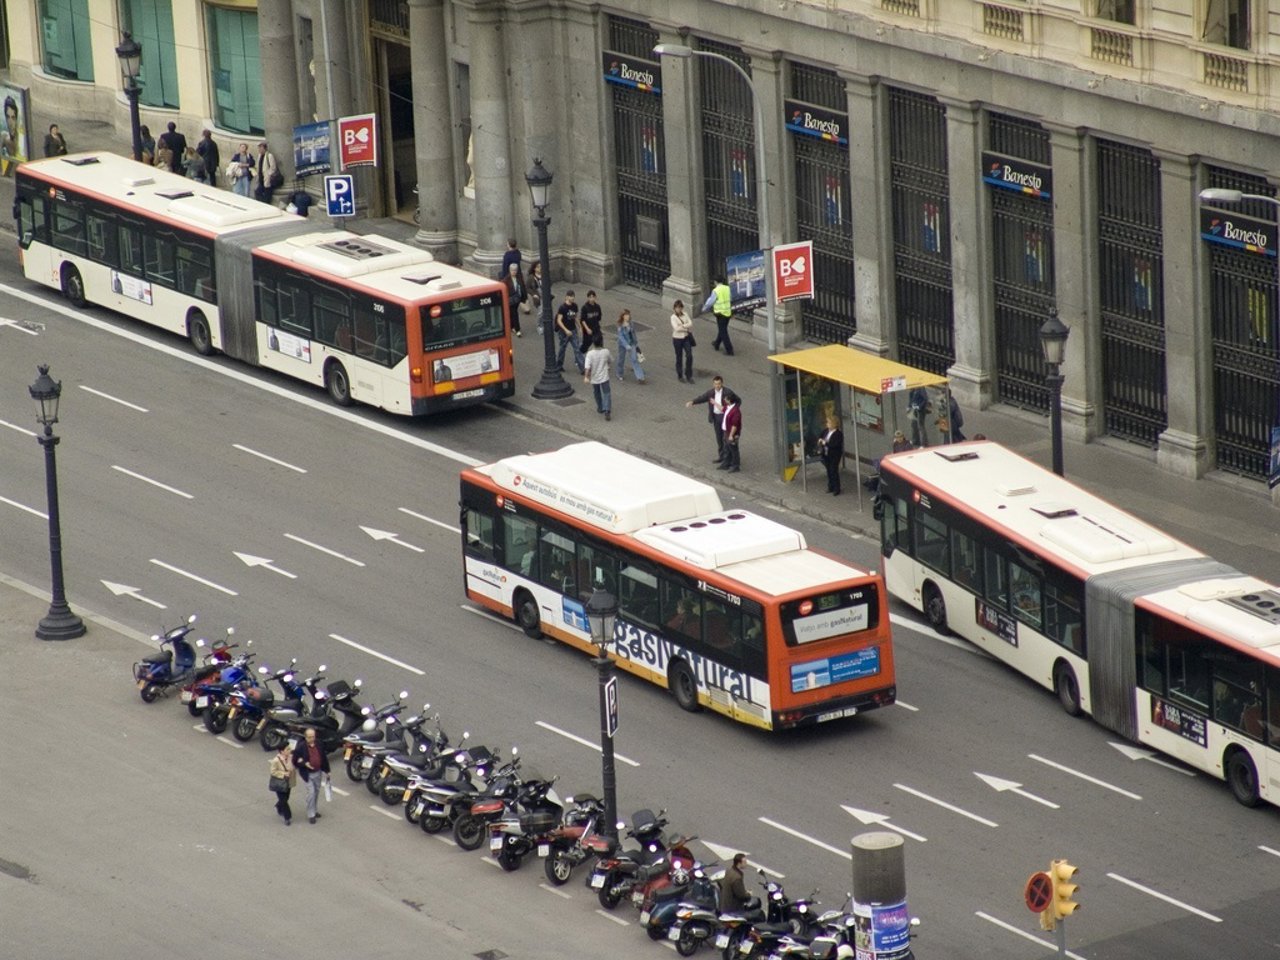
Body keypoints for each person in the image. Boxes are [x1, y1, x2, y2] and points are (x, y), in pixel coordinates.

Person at [687, 375, 740, 464]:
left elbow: (738, 401)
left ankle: (729, 459)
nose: (717, 386)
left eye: (719, 384)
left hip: (725, 417)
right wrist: (693, 402)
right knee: (719, 438)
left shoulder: (728, 392)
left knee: (726, 438)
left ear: (722, 384)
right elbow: (702, 398)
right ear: (713, 384)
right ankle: (721, 456)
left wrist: (733, 411)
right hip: (716, 417)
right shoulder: (711, 393)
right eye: (715, 384)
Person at [291, 727, 330, 824]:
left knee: (316, 792)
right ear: (305, 737)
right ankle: (311, 814)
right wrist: (304, 763)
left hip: (318, 772)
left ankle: (315, 810)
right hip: (307, 774)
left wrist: (327, 771)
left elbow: (323, 757)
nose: (311, 739)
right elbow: (295, 761)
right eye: (309, 737)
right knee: (311, 793)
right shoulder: (301, 747)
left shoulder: (319, 744)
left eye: (313, 737)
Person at [701, 276, 735, 356]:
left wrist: (704, 309)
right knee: (722, 329)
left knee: (723, 331)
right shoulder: (727, 288)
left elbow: (710, 301)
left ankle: (729, 350)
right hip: (727, 312)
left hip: (720, 313)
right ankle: (717, 343)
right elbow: (730, 298)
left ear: (716, 282)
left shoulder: (716, 290)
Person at [584, 334, 613, 421]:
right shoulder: (606, 352)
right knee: (606, 392)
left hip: (594, 377)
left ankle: (600, 407)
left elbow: (587, 367)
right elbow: (610, 360)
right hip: (604, 376)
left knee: (597, 392)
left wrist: (586, 377)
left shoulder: (590, 354)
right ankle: (607, 410)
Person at [555, 290, 584, 374]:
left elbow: (575, 317)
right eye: (571, 296)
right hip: (564, 332)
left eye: (573, 296)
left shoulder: (575, 306)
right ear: (567, 297)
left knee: (577, 349)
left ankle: (582, 368)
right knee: (562, 349)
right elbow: (559, 320)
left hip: (573, 330)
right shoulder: (562, 308)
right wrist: (566, 330)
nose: (572, 298)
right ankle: (559, 365)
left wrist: (580, 327)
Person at [268, 742, 296, 826]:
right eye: (287, 749)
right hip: (280, 783)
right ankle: (287, 817)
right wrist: (283, 774)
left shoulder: (291, 757)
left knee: (286, 797)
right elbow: (273, 772)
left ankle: (278, 806)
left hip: (288, 782)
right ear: (282, 751)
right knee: (284, 800)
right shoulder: (276, 760)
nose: (289, 750)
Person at [615, 310, 646, 383]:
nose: (627, 317)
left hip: (631, 343)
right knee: (621, 359)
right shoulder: (620, 325)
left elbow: (633, 333)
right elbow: (621, 336)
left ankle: (640, 377)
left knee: (634, 359)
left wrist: (635, 342)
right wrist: (626, 345)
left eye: (628, 315)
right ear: (622, 316)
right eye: (626, 315)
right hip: (622, 344)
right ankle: (619, 373)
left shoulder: (631, 323)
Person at [819, 414, 845, 496]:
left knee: (833, 470)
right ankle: (830, 486)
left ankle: (837, 488)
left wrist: (825, 443)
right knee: (829, 471)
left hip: (834, 455)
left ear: (834, 424)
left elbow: (834, 445)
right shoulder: (826, 431)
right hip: (826, 454)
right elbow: (821, 435)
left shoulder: (838, 434)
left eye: (828, 422)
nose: (827, 424)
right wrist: (820, 440)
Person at [671, 299, 694, 383]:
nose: (678, 309)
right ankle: (680, 375)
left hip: (686, 338)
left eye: (679, 308)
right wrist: (686, 327)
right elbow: (676, 328)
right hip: (677, 339)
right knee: (679, 357)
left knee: (689, 356)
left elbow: (691, 323)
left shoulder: (685, 314)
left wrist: (682, 326)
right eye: (676, 308)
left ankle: (689, 375)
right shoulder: (673, 317)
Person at [1, 95, 25, 176]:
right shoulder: (4, 136)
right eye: (8, 117)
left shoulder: (22, 138)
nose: (10, 122)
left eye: (13, 117)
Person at [502, 263, 526, 337]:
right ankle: (517, 329)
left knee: (512, 313)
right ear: (510, 270)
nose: (514, 272)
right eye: (512, 270)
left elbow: (522, 287)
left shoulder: (519, 278)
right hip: (510, 299)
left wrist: (524, 298)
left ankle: (512, 326)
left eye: (515, 270)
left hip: (517, 299)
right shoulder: (506, 280)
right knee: (514, 314)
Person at [720, 397, 742, 473]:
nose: (724, 400)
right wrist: (715, 403)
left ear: (729, 401)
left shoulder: (735, 411)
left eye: (726, 399)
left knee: (733, 450)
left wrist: (731, 435)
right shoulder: (728, 407)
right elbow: (722, 409)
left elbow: (734, 425)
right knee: (727, 448)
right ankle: (726, 463)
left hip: (731, 433)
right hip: (726, 431)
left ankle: (735, 466)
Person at [527, 262, 545, 332]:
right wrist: (533, 294)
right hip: (538, 297)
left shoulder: (544, 275)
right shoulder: (531, 277)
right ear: (534, 268)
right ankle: (539, 325)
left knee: (546, 311)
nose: (540, 268)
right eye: (538, 267)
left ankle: (545, 324)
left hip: (545, 295)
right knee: (541, 311)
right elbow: (528, 288)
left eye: (540, 267)